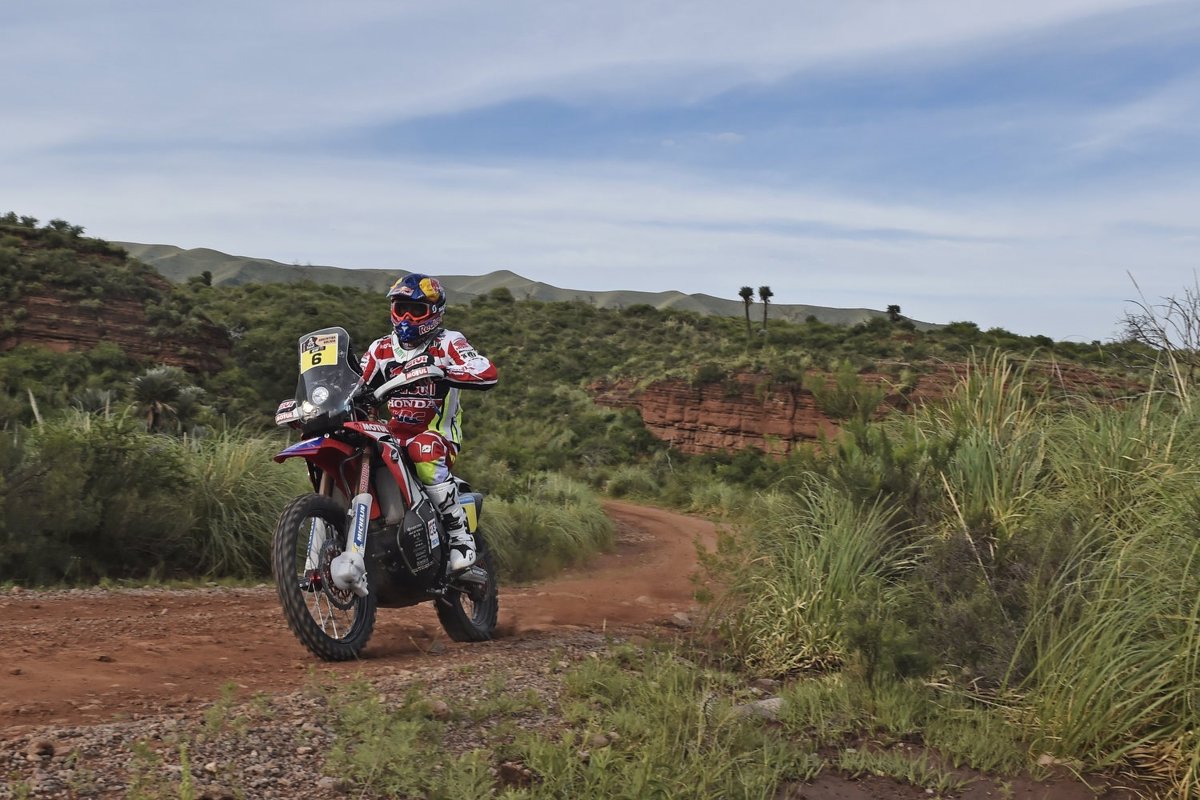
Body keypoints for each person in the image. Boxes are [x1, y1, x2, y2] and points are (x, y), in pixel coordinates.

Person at [359, 273, 498, 572]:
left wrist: (444, 372)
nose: (407, 317)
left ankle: (461, 538)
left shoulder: (448, 342)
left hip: (438, 435)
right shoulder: (381, 349)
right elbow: (356, 383)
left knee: (424, 449)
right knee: (353, 448)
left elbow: (485, 370)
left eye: (416, 310)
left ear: (434, 312)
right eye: (402, 309)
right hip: (393, 435)